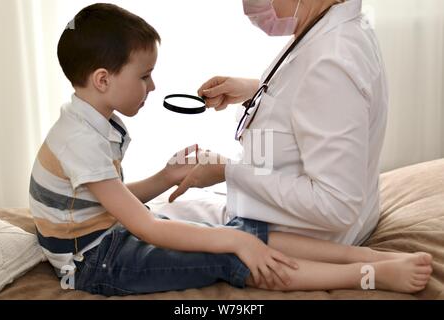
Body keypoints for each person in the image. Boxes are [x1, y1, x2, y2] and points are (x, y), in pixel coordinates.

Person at [29, 2, 431, 296]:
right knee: (239, 251)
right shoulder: (84, 138)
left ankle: (375, 260)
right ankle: (367, 274)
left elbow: (110, 205)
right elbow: (139, 221)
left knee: (242, 234)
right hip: (95, 262)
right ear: (102, 80)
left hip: (109, 239)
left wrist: (187, 176)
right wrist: (235, 241)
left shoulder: (85, 121)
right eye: (146, 76)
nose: (152, 86)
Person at [168, 0, 434, 292]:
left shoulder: (331, 63)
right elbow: (318, 104)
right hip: (319, 219)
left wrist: (226, 171)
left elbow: (337, 205)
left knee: (164, 235)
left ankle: (368, 268)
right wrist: (255, 91)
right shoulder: (335, 26)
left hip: (311, 238)